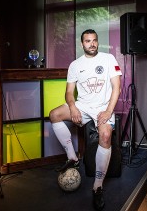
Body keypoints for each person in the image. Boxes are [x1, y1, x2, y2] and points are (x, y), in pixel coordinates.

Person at [49, 29, 122, 210]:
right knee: (54, 115)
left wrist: (108, 111)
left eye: (94, 40)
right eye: (88, 41)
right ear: (82, 44)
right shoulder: (75, 65)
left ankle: (97, 187)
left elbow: (116, 88)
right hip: (83, 105)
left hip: (103, 107)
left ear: (98, 42)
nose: (92, 44)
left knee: (105, 136)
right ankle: (72, 157)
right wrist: (73, 107)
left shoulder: (109, 59)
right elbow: (68, 92)